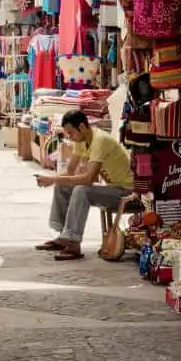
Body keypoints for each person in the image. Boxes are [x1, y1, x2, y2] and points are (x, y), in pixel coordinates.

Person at [34, 110, 133, 261]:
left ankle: (73, 242)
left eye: (71, 133)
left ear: (81, 127)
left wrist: (53, 180)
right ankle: (63, 237)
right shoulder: (81, 141)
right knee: (62, 186)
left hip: (126, 192)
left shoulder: (100, 140)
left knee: (82, 190)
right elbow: (69, 171)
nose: (70, 137)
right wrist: (51, 178)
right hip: (112, 188)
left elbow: (88, 179)